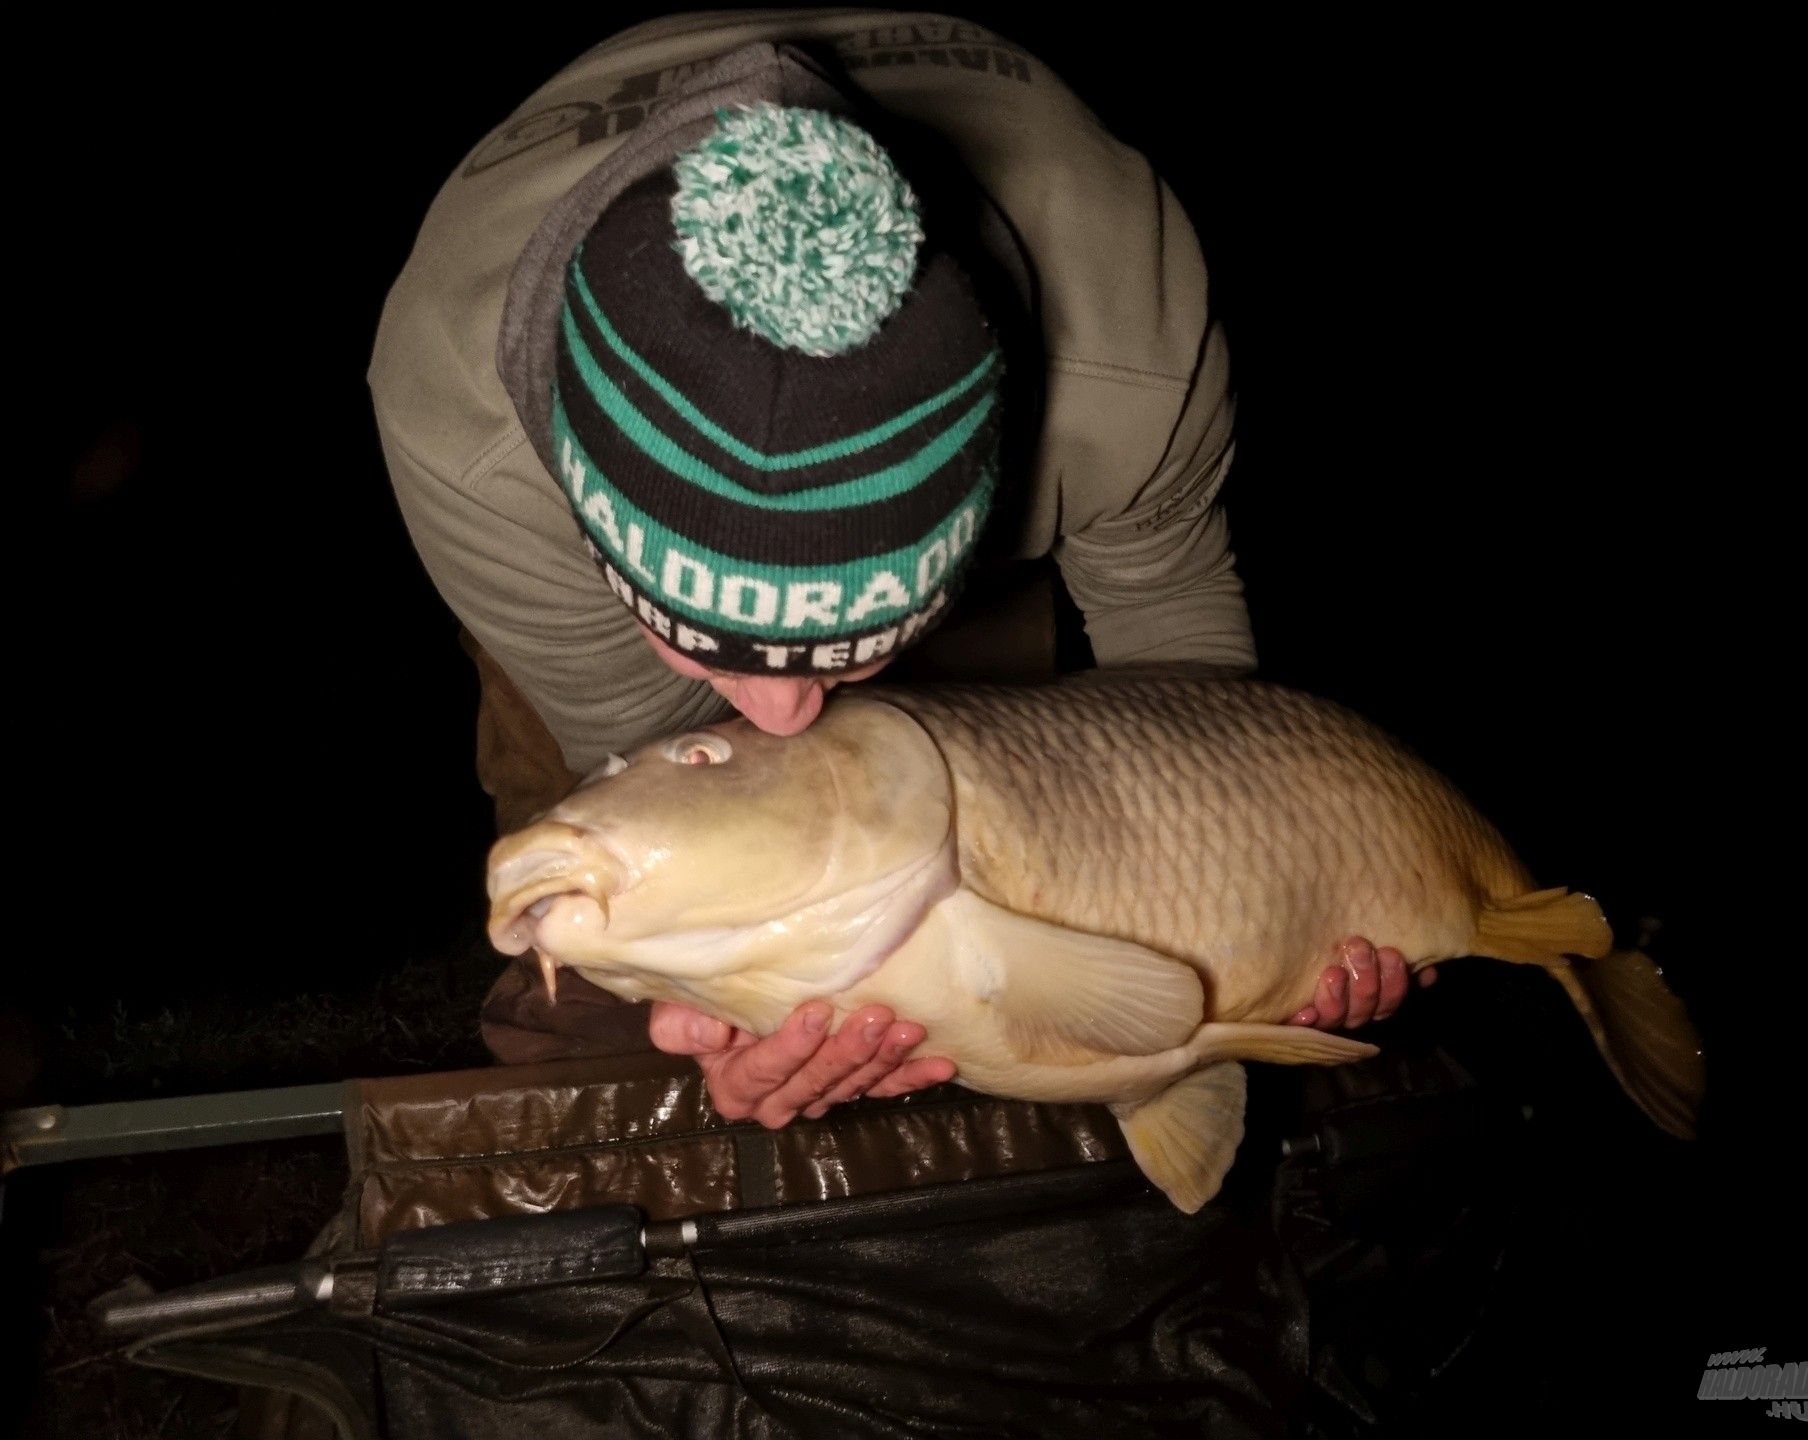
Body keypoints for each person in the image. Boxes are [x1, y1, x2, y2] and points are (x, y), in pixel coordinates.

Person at [370, 11, 1433, 1130]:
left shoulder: (1123, 363)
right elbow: (654, 760)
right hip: (539, 516)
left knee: (1061, 845)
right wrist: (704, 1009)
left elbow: (1185, 679)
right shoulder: (470, 445)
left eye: (854, 645)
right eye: (697, 633)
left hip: (1038, 422)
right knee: (617, 926)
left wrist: (1269, 909)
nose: (784, 713)